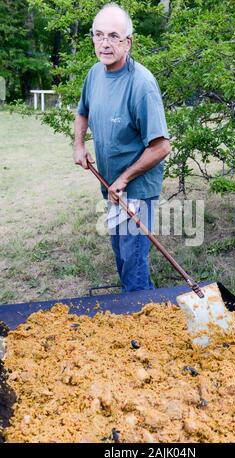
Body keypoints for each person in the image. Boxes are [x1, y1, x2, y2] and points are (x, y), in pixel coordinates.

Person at [73, 3, 171, 292]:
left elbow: (162, 146)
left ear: (127, 42)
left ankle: (143, 320)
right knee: (123, 256)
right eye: (98, 34)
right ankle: (143, 307)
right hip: (110, 185)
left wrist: (125, 179)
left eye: (113, 36)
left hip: (135, 190)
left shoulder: (142, 84)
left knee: (133, 260)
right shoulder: (95, 74)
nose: (105, 43)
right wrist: (78, 145)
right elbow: (82, 111)